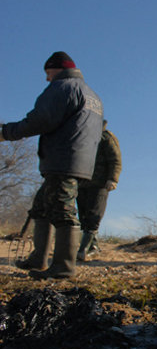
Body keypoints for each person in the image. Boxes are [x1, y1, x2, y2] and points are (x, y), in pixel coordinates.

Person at [0, 51, 103, 279]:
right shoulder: (92, 95)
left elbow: (40, 119)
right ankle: (38, 258)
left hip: (62, 158)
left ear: (57, 68)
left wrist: (6, 133)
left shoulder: (63, 87)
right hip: (79, 159)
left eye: (48, 73)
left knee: (62, 209)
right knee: (41, 207)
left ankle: (63, 268)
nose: (47, 79)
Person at [76, 119, 122, 261]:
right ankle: (93, 248)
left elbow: (115, 159)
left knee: (94, 215)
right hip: (81, 182)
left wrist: (113, 179)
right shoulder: (82, 137)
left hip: (100, 184)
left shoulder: (106, 137)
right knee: (83, 216)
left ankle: (84, 249)